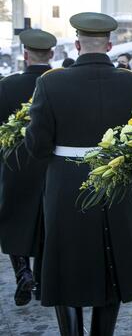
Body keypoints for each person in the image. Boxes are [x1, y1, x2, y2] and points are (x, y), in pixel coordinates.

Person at [25, 12, 132, 336]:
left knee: (66, 265)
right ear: (109, 45)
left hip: (67, 188)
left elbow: (37, 146)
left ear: (78, 44)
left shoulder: (50, 83)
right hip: (117, 187)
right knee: (114, 265)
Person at [0, 29, 56, 306]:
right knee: (45, 224)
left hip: (16, 165)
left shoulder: (7, 86)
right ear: (52, 55)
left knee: (14, 221)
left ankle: (22, 271)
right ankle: (43, 283)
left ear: (24, 55)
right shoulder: (58, 83)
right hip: (48, 164)